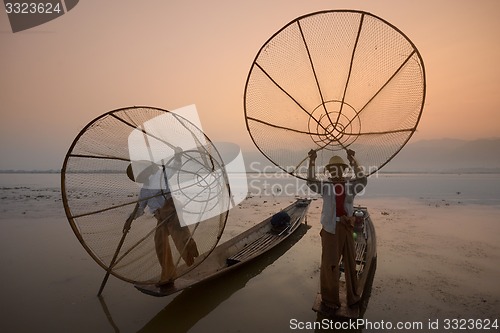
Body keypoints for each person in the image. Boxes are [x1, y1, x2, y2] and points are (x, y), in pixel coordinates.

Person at [126, 149, 199, 286]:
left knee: (183, 240)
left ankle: (193, 257)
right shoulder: (144, 191)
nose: (140, 177)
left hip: (173, 214)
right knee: (160, 243)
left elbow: (175, 167)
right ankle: (168, 275)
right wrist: (130, 219)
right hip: (161, 218)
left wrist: (178, 157)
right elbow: (140, 208)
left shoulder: (161, 176)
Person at [307, 148, 367, 311]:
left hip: (347, 226)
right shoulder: (325, 186)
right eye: (333, 169)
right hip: (330, 229)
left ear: (343, 169)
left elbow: (363, 181)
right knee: (329, 264)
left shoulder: (350, 185)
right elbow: (311, 181)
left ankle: (353, 297)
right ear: (329, 171)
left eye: (339, 168)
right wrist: (312, 160)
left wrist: (353, 160)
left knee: (350, 262)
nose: (336, 171)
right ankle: (330, 300)